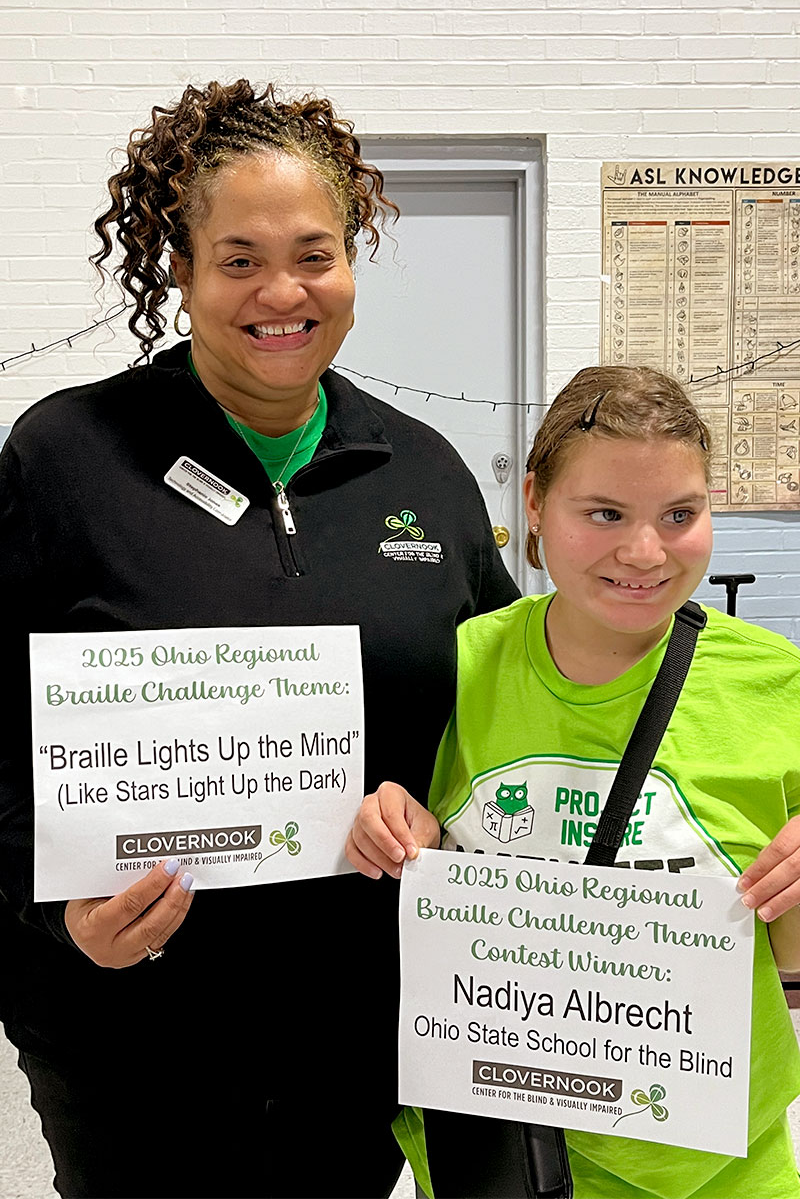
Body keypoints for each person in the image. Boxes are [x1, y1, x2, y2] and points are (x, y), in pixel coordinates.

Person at [0, 79, 519, 1199]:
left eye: (314, 254)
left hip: (357, 1027)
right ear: (177, 269)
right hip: (132, 1029)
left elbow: (518, 691)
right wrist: (56, 919)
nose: (282, 292)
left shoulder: (420, 471)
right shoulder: (68, 458)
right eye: (237, 259)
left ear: (352, 260)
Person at [347, 365, 800, 1198]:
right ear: (533, 506)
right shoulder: (455, 665)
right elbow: (398, 868)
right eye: (603, 514)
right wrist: (386, 817)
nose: (643, 552)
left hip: (711, 1163)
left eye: (680, 515)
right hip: (493, 1151)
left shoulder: (779, 688)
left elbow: (789, 953)